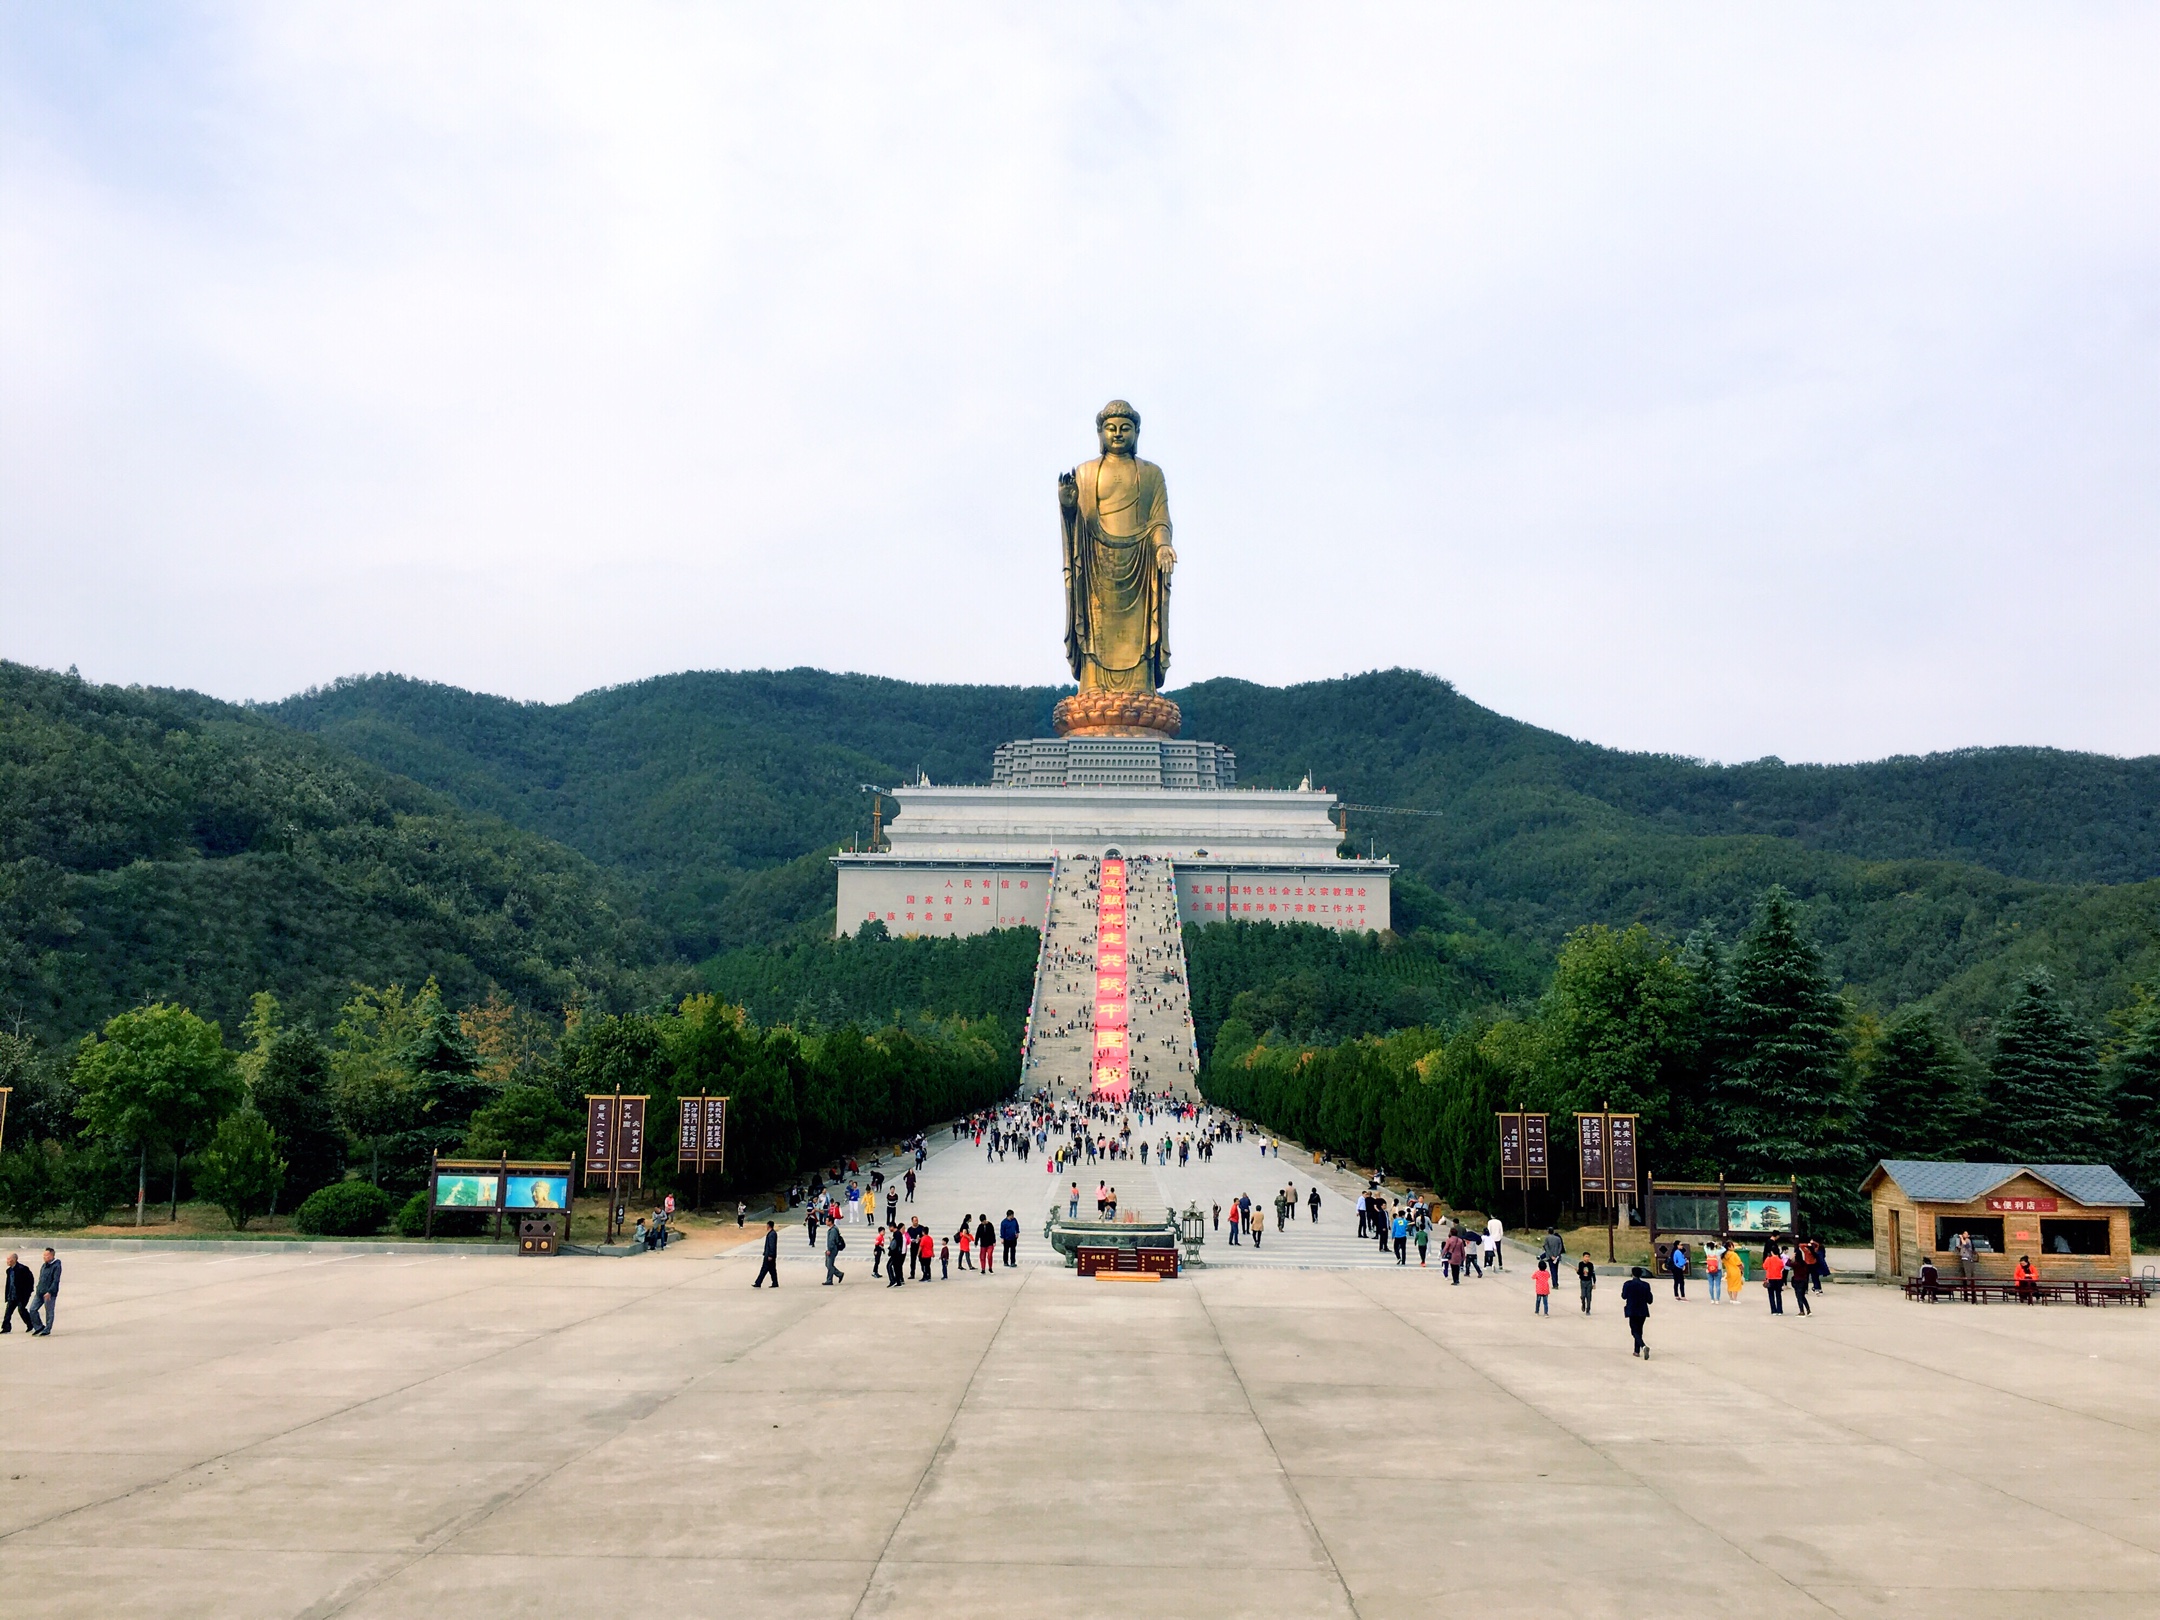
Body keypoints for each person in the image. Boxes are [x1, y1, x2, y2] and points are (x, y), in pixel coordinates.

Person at [1620, 1264, 1653, 1357]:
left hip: (1632, 1309)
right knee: (1639, 1330)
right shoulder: (1646, 1285)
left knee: (1634, 1331)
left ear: (1632, 1274)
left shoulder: (1627, 1284)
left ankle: (1643, 1346)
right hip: (1643, 1310)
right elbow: (1650, 1300)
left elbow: (1624, 1296)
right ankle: (1636, 1351)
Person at [2, 1251, 34, 1333]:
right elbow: (9, 1283)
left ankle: (30, 1324)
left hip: (21, 1295)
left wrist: (28, 1292)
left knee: (21, 1310)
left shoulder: (23, 1269)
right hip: (12, 1295)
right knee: (8, 1312)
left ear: (14, 1260)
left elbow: (30, 1281)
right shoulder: (9, 1271)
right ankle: (6, 1327)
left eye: (9, 1259)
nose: (7, 1261)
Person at [753, 1223, 780, 1288]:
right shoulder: (772, 1233)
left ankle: (758, 1282)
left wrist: (770, 1255)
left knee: (764, 1269)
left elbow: (772, 1245)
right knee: (772, 1270)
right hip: (769, 1254)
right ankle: (775, 1282)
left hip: (769, 1255)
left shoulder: (772, 1234)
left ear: (768, 1225)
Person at [1763, 1244, 1786, 1314]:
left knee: (1771, 1295)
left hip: (1770, 1278)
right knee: (1778, 1294)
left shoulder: (1768, 1259)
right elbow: (1782, 1267)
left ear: (1772, 1252)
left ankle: (1773, 1310)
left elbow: (1764, 1266)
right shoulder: (1780, 1260)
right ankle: (1780, 1310)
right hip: (1778, 1278)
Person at [823, 1219, 847, 1285]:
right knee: (828, 1264)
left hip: (832, 1249)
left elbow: (832, 1241)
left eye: (827, 1221)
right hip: (832, 1249)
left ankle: (829, 1280)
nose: (825, 1222)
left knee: (829, 1265)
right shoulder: (833, 1229)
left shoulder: (833, 1230)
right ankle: (839, 1274)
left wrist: (829, 1250)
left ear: (830, 1222)